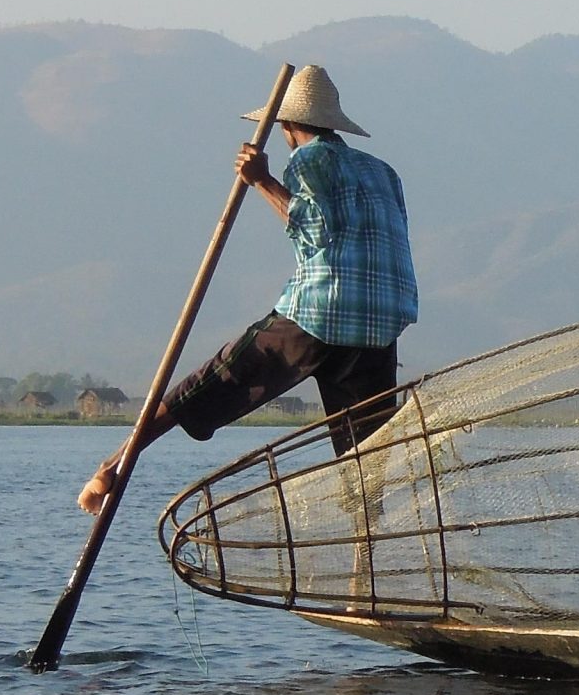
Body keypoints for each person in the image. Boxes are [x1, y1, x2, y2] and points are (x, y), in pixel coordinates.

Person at [77, 64, 417, 513]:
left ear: (288, 125)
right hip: (381, 326)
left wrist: (261, 180)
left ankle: (111, 468)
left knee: (212, 381)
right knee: (365, 460)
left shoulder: (310, 158)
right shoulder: (383, 171)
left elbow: (315, 230)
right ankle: (366, 550)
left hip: (320, 313)